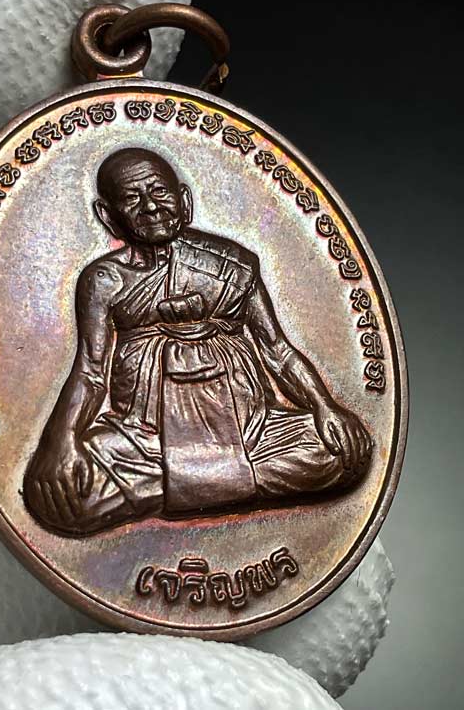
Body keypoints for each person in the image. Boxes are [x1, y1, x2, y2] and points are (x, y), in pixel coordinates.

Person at [24, 147, 372, 535]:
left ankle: (180, 487)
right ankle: (216, 483)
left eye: (159, 191)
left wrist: (324, 406)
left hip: (252, 429)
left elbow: (276, 350)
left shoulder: (233, 263)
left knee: (347, 451)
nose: (150, 207)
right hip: (147, 440)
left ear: (185, 200)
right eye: (132, 198)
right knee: (57, 497)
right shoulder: (105, 281)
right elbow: (91, 371)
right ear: (109, 216)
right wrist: (60, 439)